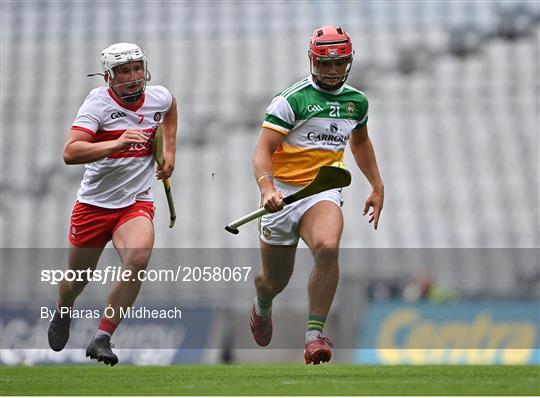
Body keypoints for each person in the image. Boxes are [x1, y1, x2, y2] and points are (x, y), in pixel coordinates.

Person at [250, 26, 384, 364]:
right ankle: (262, 306)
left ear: (349, 63)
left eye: (339, 65)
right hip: (281, 194)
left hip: (321, 190)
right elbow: (262, 151)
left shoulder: (356, 102)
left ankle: (314, 337)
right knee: (273, 281)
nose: (333, 71)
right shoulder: (291, 100)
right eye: (325, 64)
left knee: (328, 247)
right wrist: (267, 188)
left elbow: (360, 142)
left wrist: (377, 185)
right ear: (313, 61)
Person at [47, 43, 177, 366]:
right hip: (93, 206)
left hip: (134, 203)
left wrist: (169, 153)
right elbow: (71, 152)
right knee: (75, 281)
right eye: (124, 71)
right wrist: (115, 144)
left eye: (137, 69)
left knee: (139, 256)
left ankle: (103, 335)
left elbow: (170, 113)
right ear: (109, 76)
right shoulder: (97, 104)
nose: (133, 78)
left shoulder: (159, 97)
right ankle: (64, 309)